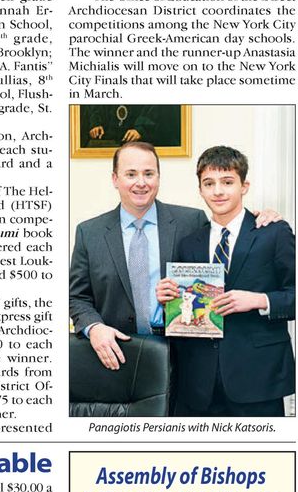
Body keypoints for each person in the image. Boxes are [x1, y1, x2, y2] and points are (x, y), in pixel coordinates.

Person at [70, 141, 281, 372]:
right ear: (115, 179)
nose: (141, 182)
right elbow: (77, 297)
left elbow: (227, 251)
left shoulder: (191, 221)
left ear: (158, 178)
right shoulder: (89, 233)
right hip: (115, 354)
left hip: (183, 358)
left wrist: (258, 219)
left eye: (149, 173)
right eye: (131, 174)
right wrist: (94, 327)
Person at [155, 146, 295, 417]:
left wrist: (259, 300)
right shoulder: (189, 243)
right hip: (198, 383)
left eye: (227, 182)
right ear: (200, 190)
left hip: (258, 379)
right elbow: (187, 309)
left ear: (244, 186)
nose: (218, 191)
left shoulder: (274, 232)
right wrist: (167, 299)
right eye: (209, 183)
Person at [82, 105, 158, 148]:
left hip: (136, 143)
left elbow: (152, 110)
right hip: (107, 140)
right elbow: (95, 109)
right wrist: (96, 123)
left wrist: (141, 129)